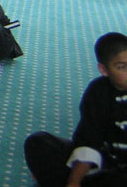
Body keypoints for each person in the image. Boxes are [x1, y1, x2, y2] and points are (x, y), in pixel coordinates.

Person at [24, 32, 127, 187]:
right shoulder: (98, 91)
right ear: (104, 70)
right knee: (38, 143)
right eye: (121, 67)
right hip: (104, 162)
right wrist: (74, 182)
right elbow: (89, 139)